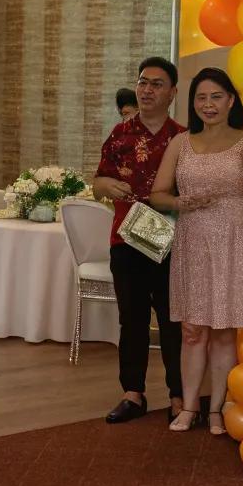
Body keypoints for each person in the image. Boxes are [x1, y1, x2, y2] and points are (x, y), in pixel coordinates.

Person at [150, 67, 243, 435]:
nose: (208, 104)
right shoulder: (180, 143)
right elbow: (158, 195)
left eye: (216, 96)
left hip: (236, 239)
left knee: (223, 331)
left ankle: (216, 408)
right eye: (201, 98)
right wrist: (180, 202)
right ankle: (189, 407)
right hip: (193, 241)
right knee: (192, 330)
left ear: (231, 100)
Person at [94, 57, 185, 425]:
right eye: (143, 82)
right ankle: (133, 393)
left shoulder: (184, 138)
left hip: (171, 241)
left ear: (173, 93)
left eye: (157, 84)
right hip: (126, 238)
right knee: (130, 319)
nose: (147, 90)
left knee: (172, 320)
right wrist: (104, 186)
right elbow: (98, 180)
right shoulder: (120, 134)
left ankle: (180, 396)